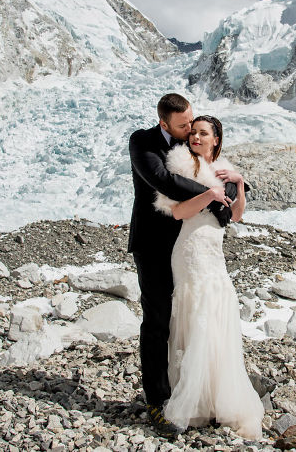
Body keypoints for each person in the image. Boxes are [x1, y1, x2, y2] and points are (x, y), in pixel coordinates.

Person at [128, 94, 237, 436]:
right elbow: (165, 182)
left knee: (192, 317)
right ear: (164, 123)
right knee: (158, 319)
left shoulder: (188, 145)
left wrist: (232, 184)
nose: (190, 130)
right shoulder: (142, 142)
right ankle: (157, 401)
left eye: (192, 122)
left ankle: (195, 392)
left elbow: (214, 168)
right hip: (155, 244)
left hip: (188, 244)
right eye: (183, 125)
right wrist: (215, 197)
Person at [153, 115, 264, 441]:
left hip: (214, 253)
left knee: (216, 317)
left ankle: (217, 397)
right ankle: (195, 401)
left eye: (203, 133)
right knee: (198, 317)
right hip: (190, 251)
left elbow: (236, 215)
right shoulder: (181, 164)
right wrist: (210, 195)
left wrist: (239, 184)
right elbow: (176, 211)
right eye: (193, 133)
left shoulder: (225, 169)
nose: (196, 137)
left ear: (216, 139)